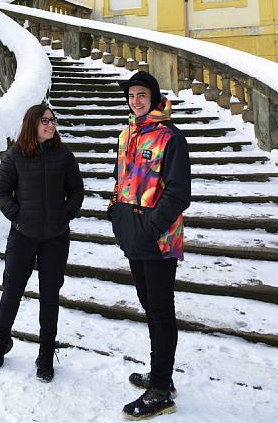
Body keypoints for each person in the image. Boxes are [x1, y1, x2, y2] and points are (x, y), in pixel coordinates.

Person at [108, 71, 191, 420]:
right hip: (135, 237)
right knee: (148, 306)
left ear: (154, 98)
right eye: (132, 95)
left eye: (142, 95)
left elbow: (178, 194)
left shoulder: (170, 138)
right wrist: (116, 214)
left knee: (160, 309)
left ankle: (160, 390)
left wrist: (149, 228)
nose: (136, 101)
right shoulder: (127, 133)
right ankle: (161, 375)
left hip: (158, 241)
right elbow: (120, 179)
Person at [0, 102, 84, 381]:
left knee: (50, 297)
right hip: (23, 236)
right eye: (45, 121)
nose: (51, 125)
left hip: (55, 238)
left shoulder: (64, 155)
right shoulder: (16, 155)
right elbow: (1, 190)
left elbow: (76, 192)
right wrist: (16, 216)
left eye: (53, 120)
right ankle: (0, 342)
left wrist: (63, 216)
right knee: (12, 291)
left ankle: (45, 355)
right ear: (32, 124)